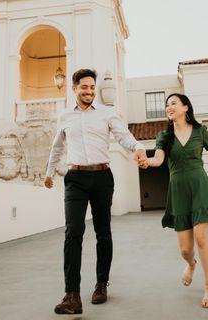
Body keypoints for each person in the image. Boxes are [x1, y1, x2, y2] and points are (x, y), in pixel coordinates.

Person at [44, 68, 146, 315]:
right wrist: (49, 173)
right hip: (75, 178)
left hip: (102, 177)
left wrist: (139, 148)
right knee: (73, 232)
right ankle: (72, 295)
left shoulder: (107, 113)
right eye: (84, 87)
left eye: (92, 87)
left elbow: (124, 137)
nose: (89, 91)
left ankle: (101, 284)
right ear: (74, 88)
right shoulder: (65, 116)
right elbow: (57, 147)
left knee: (103, 232)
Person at [138, 93, 208, 308]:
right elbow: (159, 158)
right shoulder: (165, 136)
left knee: (201, 239)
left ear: (185, 107)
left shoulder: (200, 131)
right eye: (166, 105)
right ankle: (191, 264)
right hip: (179, 191)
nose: (169, 107)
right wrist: (147, 162)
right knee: (185, 250)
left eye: (173, 103)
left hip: (200, 186)